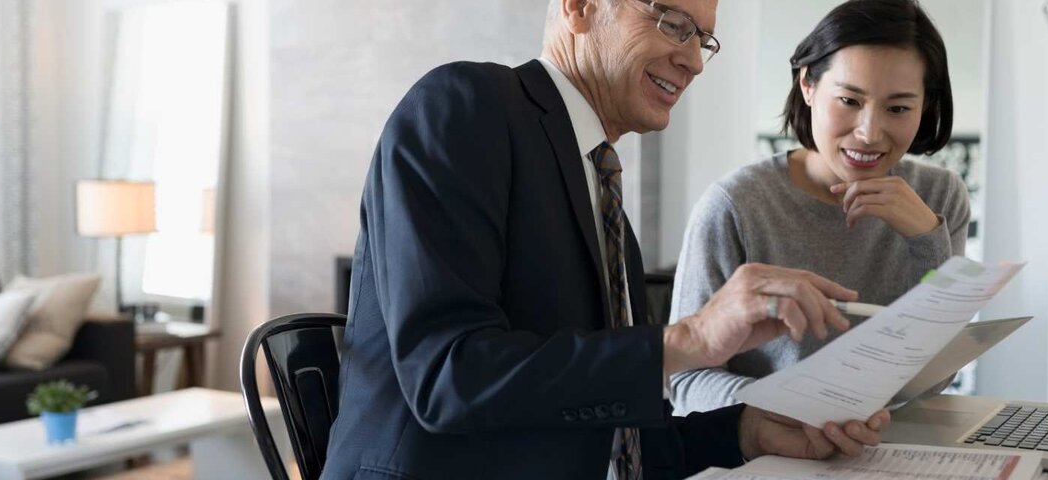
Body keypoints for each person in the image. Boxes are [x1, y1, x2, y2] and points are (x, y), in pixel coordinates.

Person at [325, 1, 893, 479]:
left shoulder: (598, 185)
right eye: (673, 23)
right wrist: (691, 338)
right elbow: (450, 378)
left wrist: (748, 430)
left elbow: (617, 442)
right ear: (579, 7)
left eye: (703, 39)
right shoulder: (465, 105)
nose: (694, 61)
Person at [667, 0, 971, 415]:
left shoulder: (940, 197)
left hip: (892, 442)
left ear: (925, 107)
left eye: (898, 108)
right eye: (849, 100)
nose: (869, 133)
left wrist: (927, 241)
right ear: (808, 85)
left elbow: (934, 381)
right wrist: (792, 414)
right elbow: (685, 380)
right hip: (769, 443)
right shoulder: (734, 206)